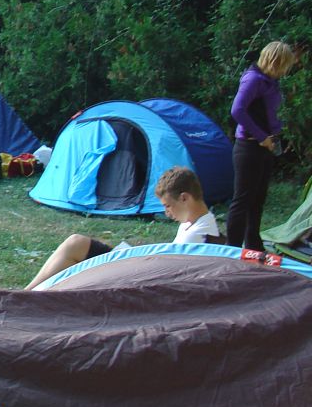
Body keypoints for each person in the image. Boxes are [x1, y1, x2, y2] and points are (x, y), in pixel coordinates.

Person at [25, 166, 220, 289]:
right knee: (76, 243)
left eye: (168, 206)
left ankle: (27, 294)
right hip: (141, 266)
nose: (167, 213)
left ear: (184, 198)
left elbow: (170, 277)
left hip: (137, 277)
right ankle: (30, 292)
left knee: (75, 246)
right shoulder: (196, 222)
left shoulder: (198, 238)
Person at [227, 41, 297, 250]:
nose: (286, 71)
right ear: (275, 61)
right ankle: (231, 249)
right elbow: (237, 110)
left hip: (266, 146)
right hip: (249, 147)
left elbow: (269, 111)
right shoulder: (253, 79)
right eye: (284, 65)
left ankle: (254, 245)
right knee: (243, 200)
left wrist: (275, 134)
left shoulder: (270, 81)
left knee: (258, 199)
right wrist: (260, 136)